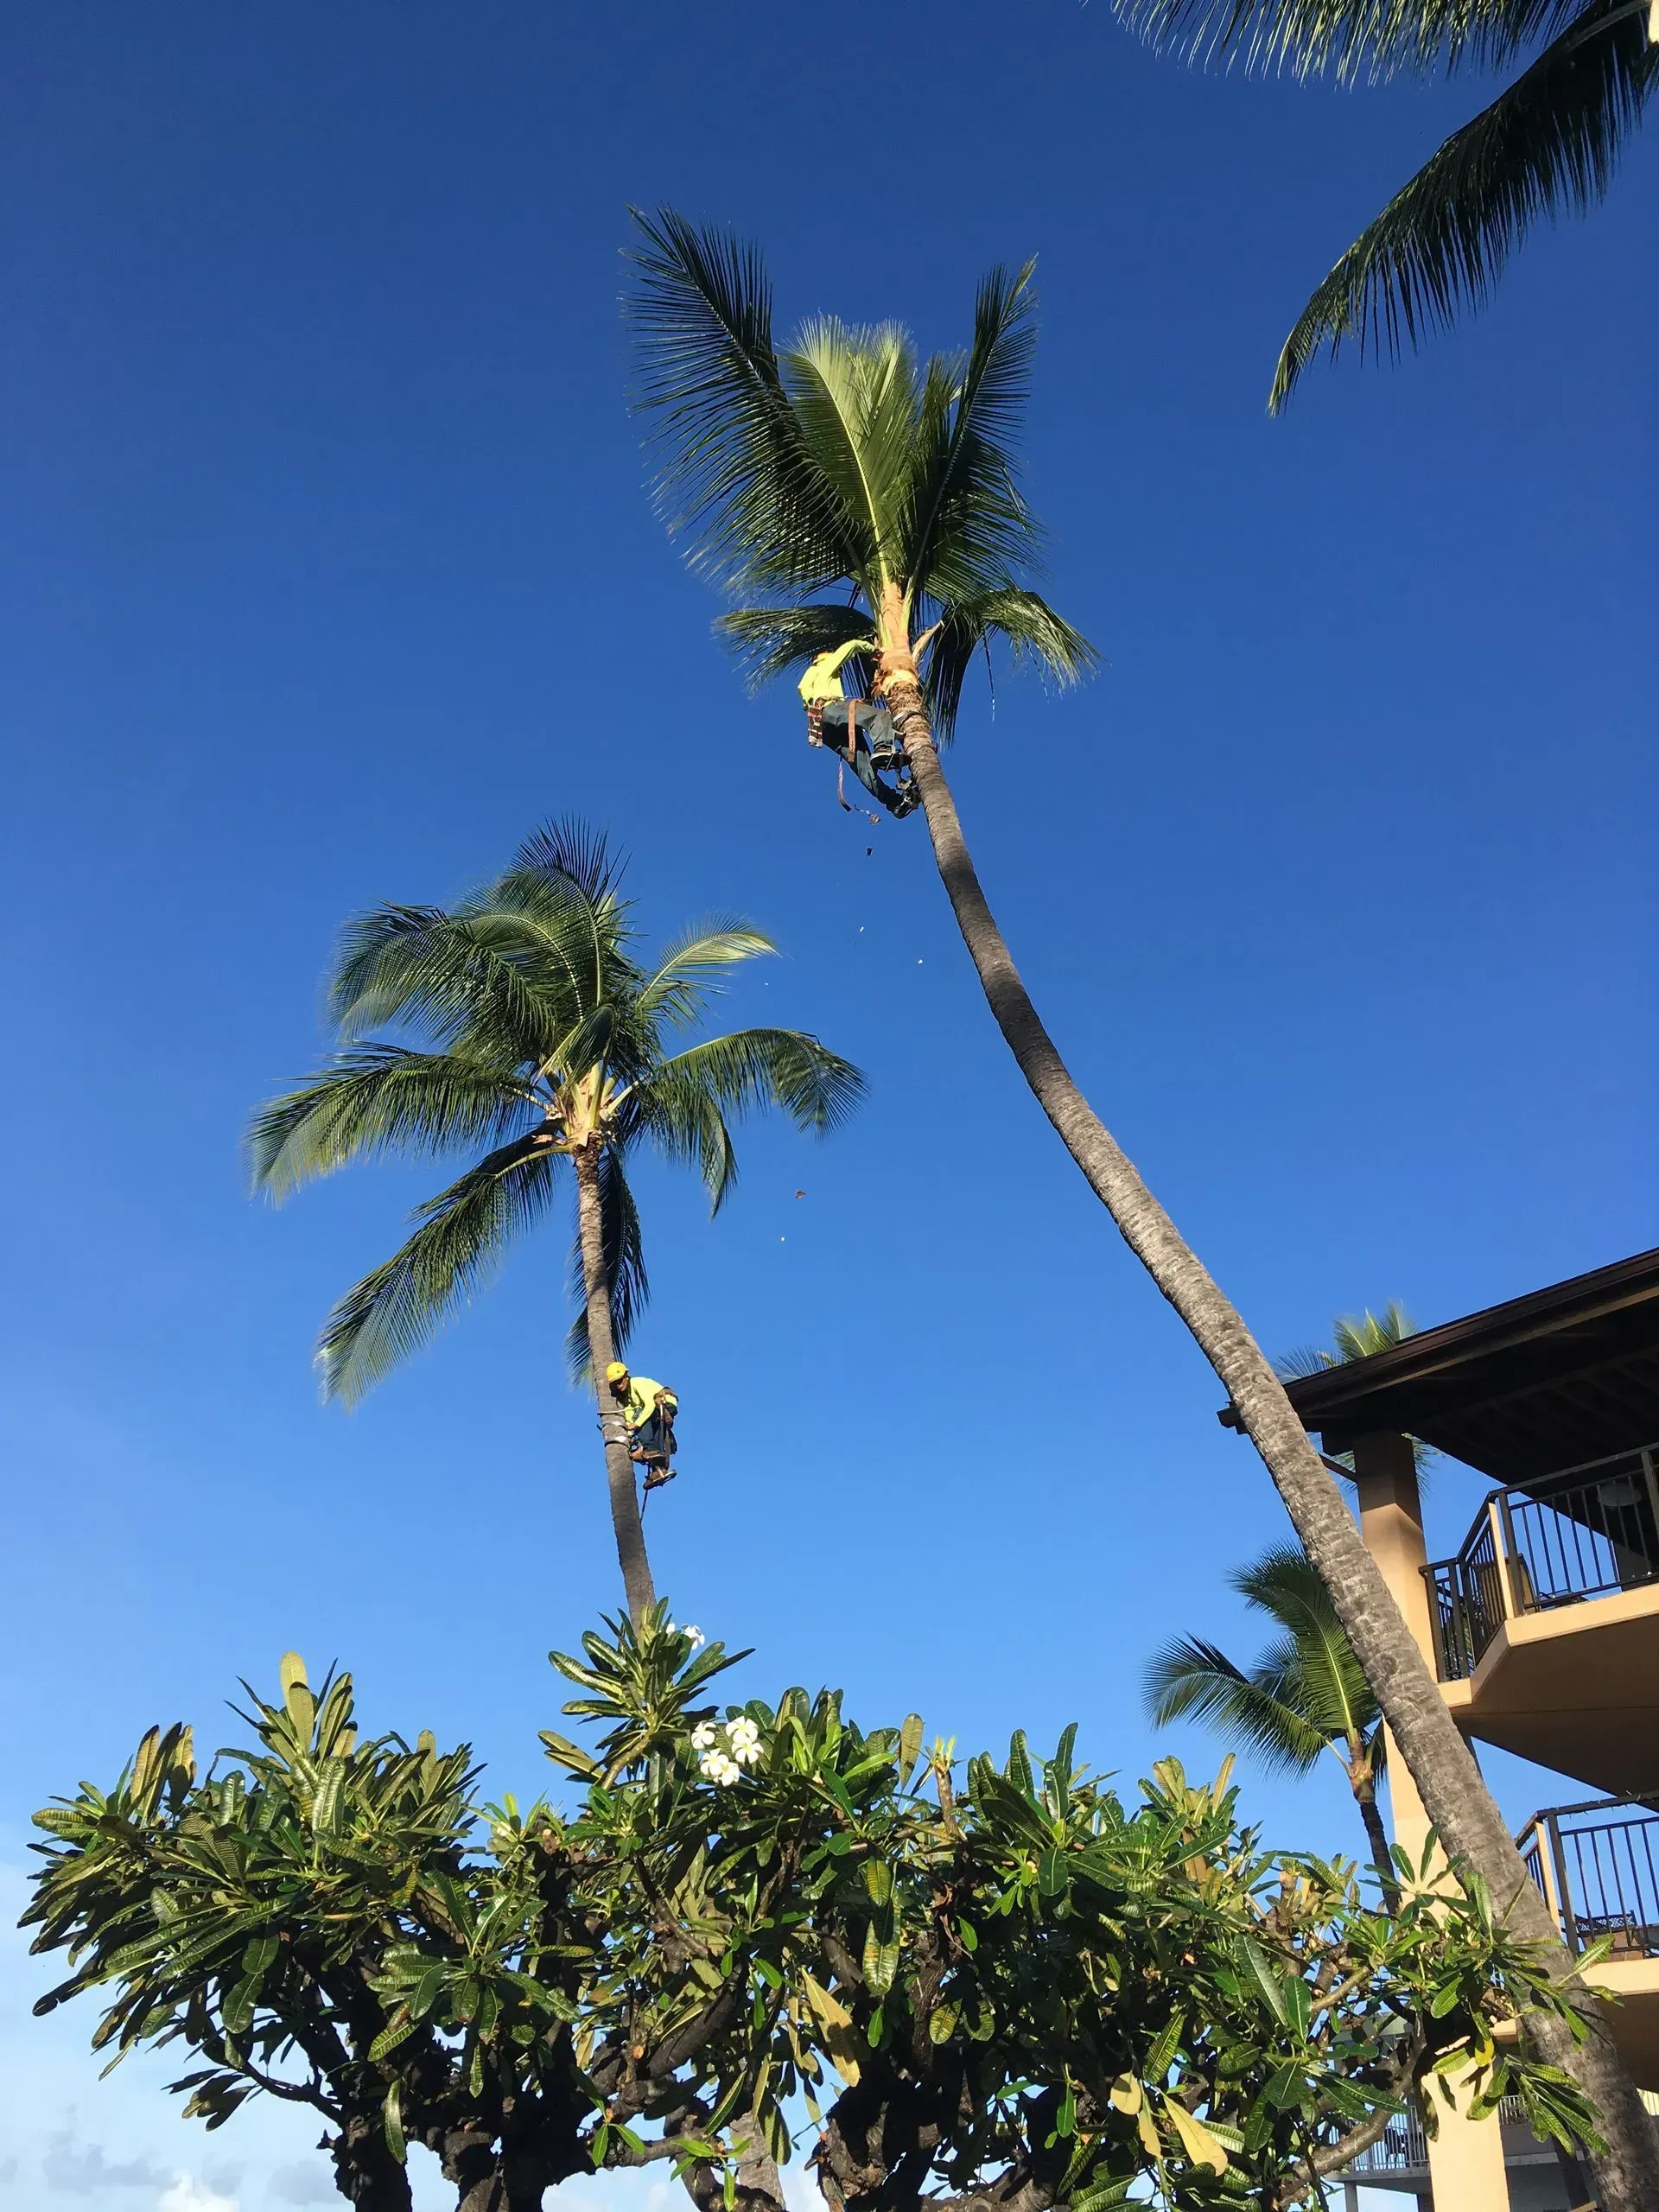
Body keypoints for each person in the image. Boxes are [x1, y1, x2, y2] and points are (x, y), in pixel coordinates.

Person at [797, 642, 918, 818]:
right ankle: (883, 747)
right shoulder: (825, 664)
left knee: (864, 769)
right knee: (879, 717)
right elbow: (850, 646)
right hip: (831, 708)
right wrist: (874, 650)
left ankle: (895, 803)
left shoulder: (807, 679)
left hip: (822, 727)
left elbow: (804, 701)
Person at [604, 1361, 678, 1491]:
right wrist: (629, 1437)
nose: (619, 1385)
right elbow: (629, 1421)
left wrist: (636, 1424)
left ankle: (649, 1450)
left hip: (665, 1403)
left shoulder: (637, 1383)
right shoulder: (627, 1400)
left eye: (620, 1381)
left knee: (642, 1422)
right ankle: (659, 1471)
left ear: (626, 1377)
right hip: (654, 1412)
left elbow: (649, 1405)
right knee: (643, 1425)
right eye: (615, 1383)